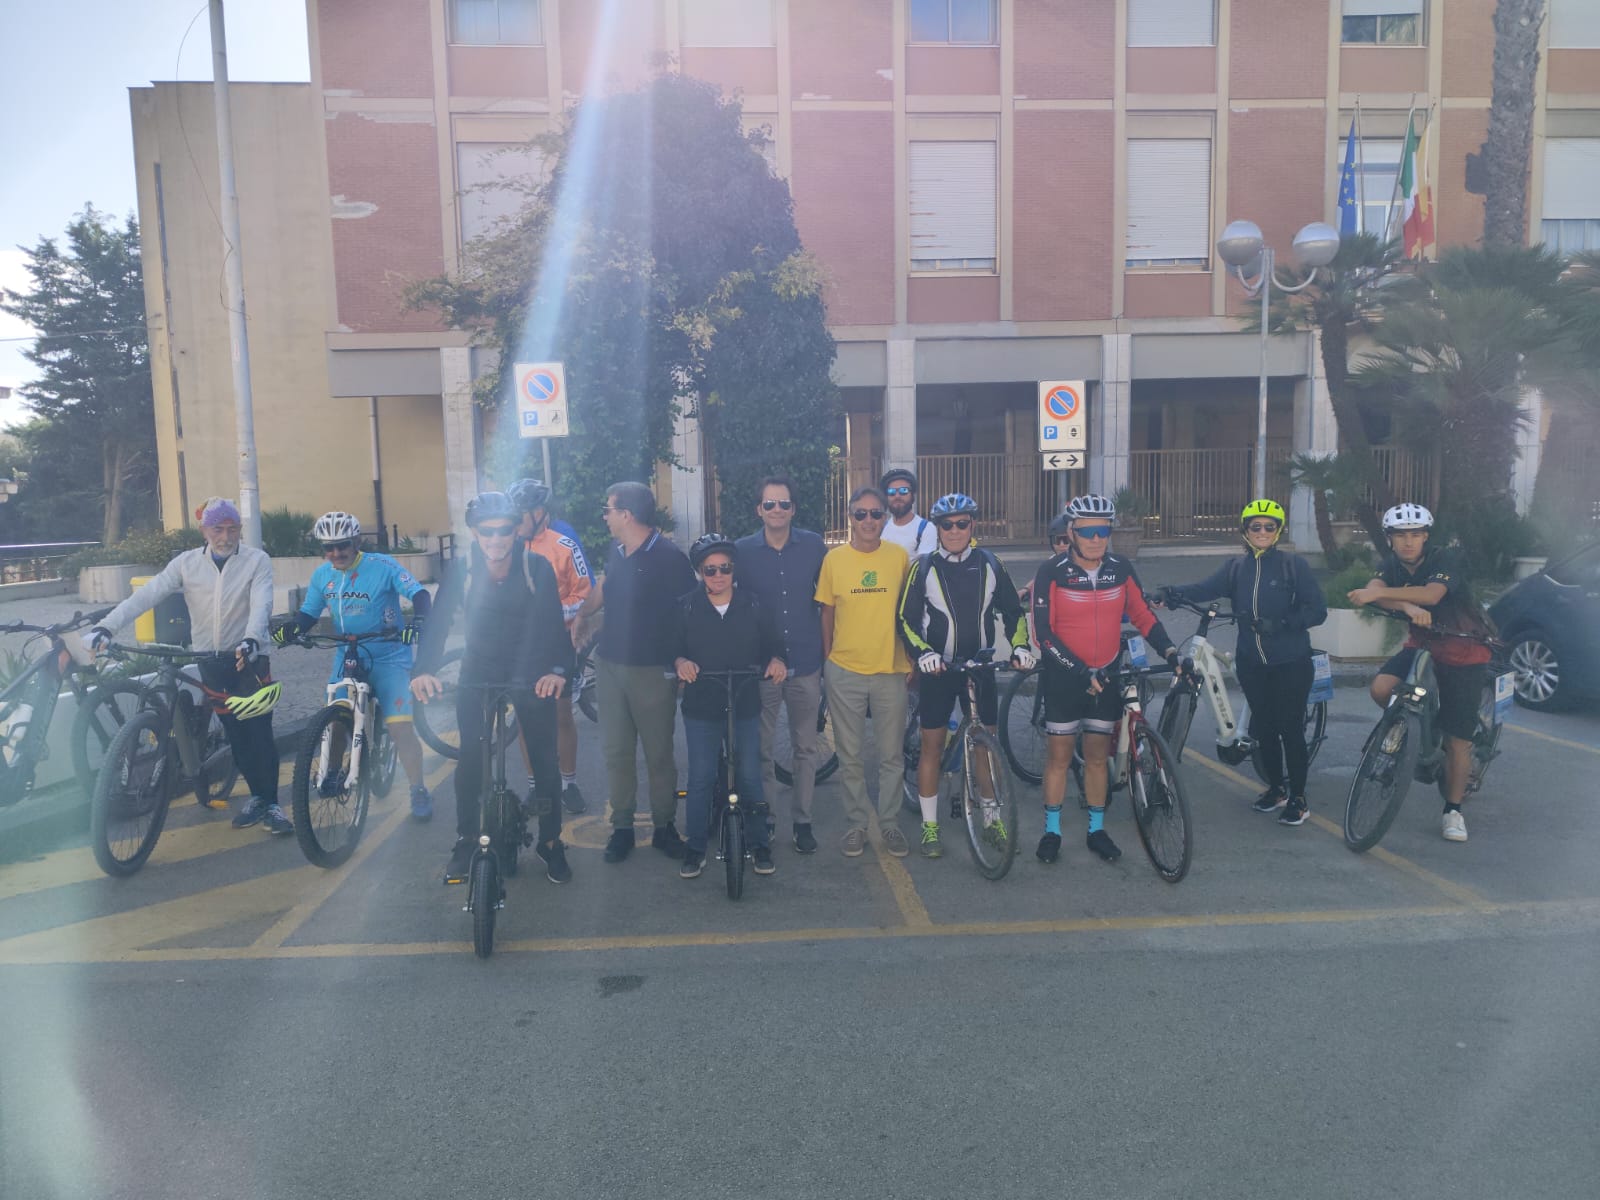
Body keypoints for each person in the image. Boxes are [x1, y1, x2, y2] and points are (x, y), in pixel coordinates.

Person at [87, 497, 289, 835]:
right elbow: (146, 595)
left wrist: (253, 639)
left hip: (248, 657)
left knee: (259, 734)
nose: (226, 537)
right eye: (218, 529)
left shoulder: (257, 560)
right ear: (204, 530)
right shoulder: (186, 563)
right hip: (209, 660)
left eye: (232, 529)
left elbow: (261, 602)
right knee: (236, 734)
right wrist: (107, 627)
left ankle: (272, 804)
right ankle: (257, 798)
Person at [410, 492, 574, 885]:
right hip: (479, 669)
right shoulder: (462, 569)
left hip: (530, 671)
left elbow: (554, 625)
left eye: (504, 530)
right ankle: (467, 839)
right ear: (474, 533)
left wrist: (557, 671)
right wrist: (424, 669)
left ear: (516, 530)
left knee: (544, 760)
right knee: (471, 757)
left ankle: (550, 841)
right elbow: (439, 621)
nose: (496, 539)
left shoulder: (535, 566)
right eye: (487, 531)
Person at [1029, 494, 1183, 865]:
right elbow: (1043, 635)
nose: (1097, 538)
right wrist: (1080, 671)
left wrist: (1171, 653)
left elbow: (1143, 615)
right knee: (1059, 759)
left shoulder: (1120, 567)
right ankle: (1052, 831)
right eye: (1087, 532)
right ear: (1071, 532)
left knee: (1098, 758)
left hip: (1108, 672)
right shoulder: (1052, 571)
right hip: (1065, 678)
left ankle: (1096, 830)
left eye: (1103, 531)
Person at [1158, 499, 1327, 826]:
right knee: (1264, 727)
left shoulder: (1293, 566)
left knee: (1290, 729)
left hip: (1291, 661)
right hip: (1253, 662)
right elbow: (1204, 588)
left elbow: (1316, 610)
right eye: (1255, 526)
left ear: (1278, 531)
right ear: (1245, 531)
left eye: (1269, 526)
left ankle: (1298, 798)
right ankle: (1276, 789)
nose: (1262, 532)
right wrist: (1170, 593)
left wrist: (1282, 624)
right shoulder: (1236, 568)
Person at [273, 511, 437, 820]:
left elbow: (419, 595)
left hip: (389, 656)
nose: (336, 553)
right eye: (329, 547)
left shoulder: (382, 566)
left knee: (400, 728)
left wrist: (419, 621)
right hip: (347, 655)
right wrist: (293, 628)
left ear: (357, 542)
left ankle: (418, 788)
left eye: (343, 545)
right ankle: (333, 772)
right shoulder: (322, 575)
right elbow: (308, 613)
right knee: (335, 720)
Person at [898, 493, 1035, 858]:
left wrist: (1020, 647)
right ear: (938, 529)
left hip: (981, 666)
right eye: (947, 525)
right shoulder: (923, 568)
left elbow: (1013, 612)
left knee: (986, 748)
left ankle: (991, 821)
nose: (955, 530)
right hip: (940, 668)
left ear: (972, 525)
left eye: (962, 523)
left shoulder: (990, 563)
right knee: (932, 746)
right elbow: (906, 621)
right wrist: (924, 654)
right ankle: (930, 826)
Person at [1347, 502, 1493, 843]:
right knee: (1381, 689)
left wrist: (1379, 593)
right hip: (1423, 645)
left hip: (1463, 649)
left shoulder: (1445, 560)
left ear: (1426, 537)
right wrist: (1405, 605)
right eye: (1401, 536)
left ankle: (1453, 811)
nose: (1408, 541)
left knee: (1457, 741)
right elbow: (1375, 593)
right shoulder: (1391, 565)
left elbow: (1430, 594)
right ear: (1390, 539)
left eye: (1415, 534)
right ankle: (1411, 731)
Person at [571, 481, 697, 864]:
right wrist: (583, 614)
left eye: (608, 510)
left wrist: (682, 661)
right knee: (616, 752)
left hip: (652, 671)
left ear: (626, 514)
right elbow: (605, 585)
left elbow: (689, 614)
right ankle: (622, 827)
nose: (604, 517)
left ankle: (664, 827)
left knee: (658, 755)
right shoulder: (617, 549)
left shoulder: (670, 558)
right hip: (610, 665)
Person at [670, 533, 788, 880]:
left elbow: (775, 644)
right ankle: (695, 848)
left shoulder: (754, 605)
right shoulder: (686, 607)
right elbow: (672, 647)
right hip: (702, 706)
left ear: (734, 570)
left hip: (744, 702)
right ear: (699, 573)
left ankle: (759, 843)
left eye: (725, 568)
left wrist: (777, 660)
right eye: (710, 570)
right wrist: (680, 662)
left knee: (750, 774)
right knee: (701, 777)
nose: (719, 575)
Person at [815, 485, 913, 858]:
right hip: (845, 671)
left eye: (875, 513)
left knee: (891, 756)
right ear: (850, 518)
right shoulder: (834, 560)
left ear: (884, 518)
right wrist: (829, 659)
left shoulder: (899, 557)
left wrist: (911, 659)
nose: (868, 520)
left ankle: (889, 824)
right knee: (850, 755)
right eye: (861, 514)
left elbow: (910, 609)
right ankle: (856, 823)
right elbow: (827, 612)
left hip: (890, 669)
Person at [735, 476, 827, 854]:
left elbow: (828, 600)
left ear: (793, 509)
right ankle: (767, 819)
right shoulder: (741, 552)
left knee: (806, 748)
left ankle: (803, 821)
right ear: (759, 510)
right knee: (762, 749)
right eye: (770, 504)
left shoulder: (814, 546)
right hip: (763, 667)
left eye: (784, 504)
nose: (777, 510)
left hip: (806, 662)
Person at [507, 478, 592, 815]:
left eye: (521, 515)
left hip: (557, 642)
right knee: (525, 719)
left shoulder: (564, 545)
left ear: (540, 512)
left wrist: (549, 615)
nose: (515, 521)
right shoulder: (506, 546)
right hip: (520, 649)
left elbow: (584, 594)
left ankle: (568, 783)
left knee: (561, 716)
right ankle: (535, 786)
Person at [878, 467, 937, 559]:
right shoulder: (881, 528)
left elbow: (924, 565)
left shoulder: (926, 529)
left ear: (912, 495)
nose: (897, 496)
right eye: (891, 492)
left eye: (903, 490)